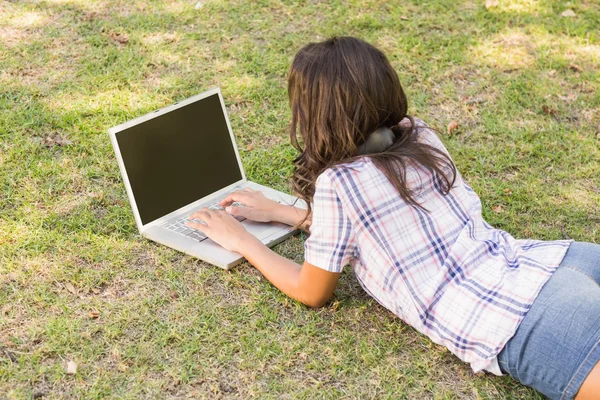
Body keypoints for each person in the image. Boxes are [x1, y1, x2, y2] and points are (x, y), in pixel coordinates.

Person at [185, 37, 600, 400]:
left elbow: (312, 291)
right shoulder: (416, 134)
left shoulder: (338, 184)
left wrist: (243, 241)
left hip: (520, 317)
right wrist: (282, 213)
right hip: (552, 264)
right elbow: (382, 225)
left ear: (315, 114)